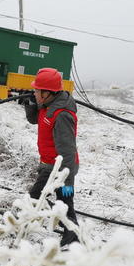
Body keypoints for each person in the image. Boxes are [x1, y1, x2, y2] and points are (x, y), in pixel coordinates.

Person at [23, 68, 80, 247]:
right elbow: (34, 120)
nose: (35, 92)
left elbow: (68, 150)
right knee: (62, 204)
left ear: (47, 93)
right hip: (49, 164)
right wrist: (30, 104)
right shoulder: (48, 105)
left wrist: (67, 180)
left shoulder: (61, 114)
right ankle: (70, 235)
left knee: (52, 200)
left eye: (37, 91)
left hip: (60, 169)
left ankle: (72, 240)